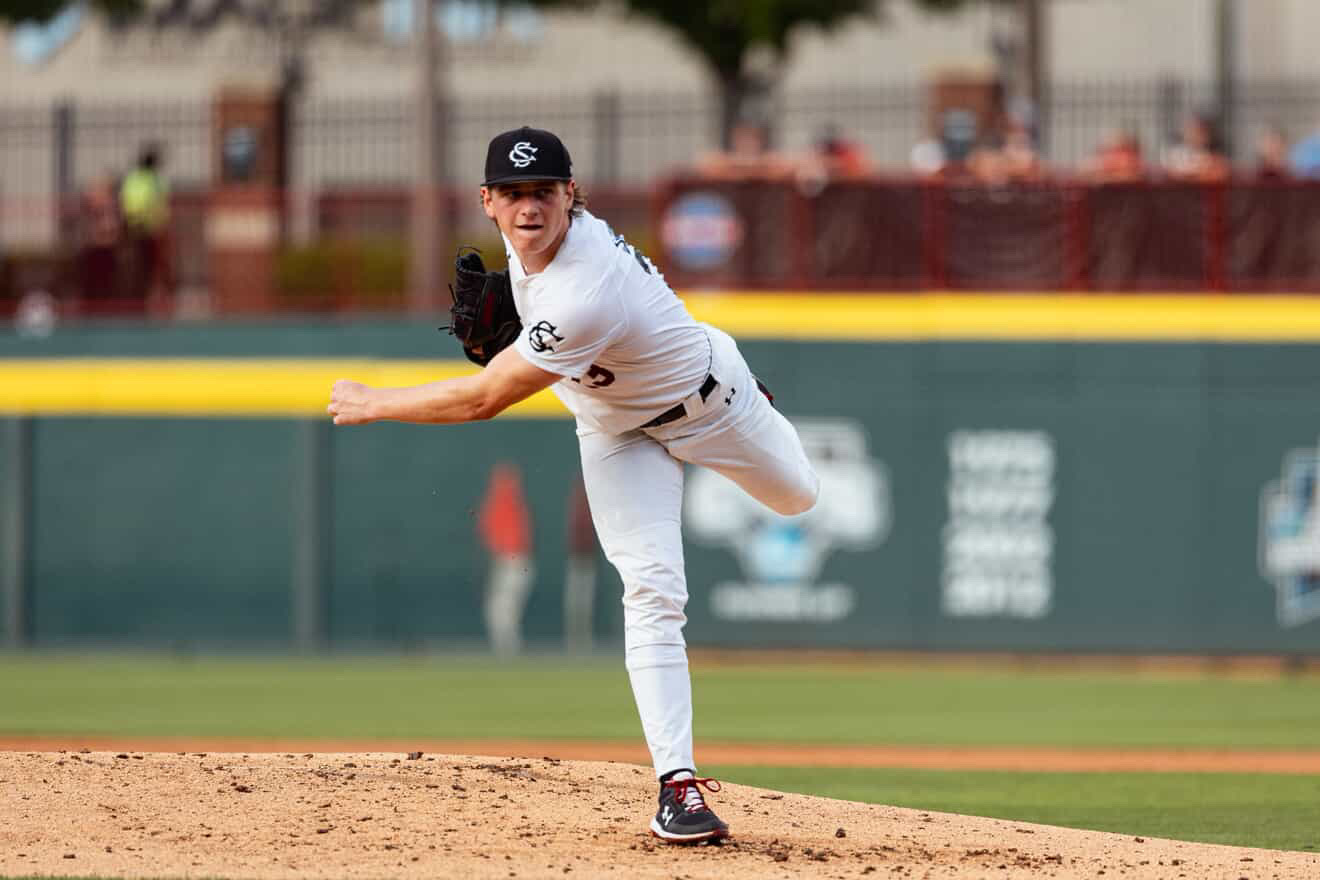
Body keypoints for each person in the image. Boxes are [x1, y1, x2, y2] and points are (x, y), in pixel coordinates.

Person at [328, 126, 820, 844]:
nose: (529, 208)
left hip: (712, 403)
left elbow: (484, 399)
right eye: (514, 193)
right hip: (613, 429)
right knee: (652, 590)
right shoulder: (528, 249)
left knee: (798, 496)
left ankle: (736, 367)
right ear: (487, 203)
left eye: (544, 192)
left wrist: (377, 401)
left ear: (570, 195)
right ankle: (677, 788)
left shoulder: (586, 283)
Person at [477, 462, 535, 657]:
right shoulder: (505, 503)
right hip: (510, 561)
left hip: (514, 561)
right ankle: (507, 647)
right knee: (500, 607)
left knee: (503, 607)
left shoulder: (510, 504)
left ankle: (509, 648)